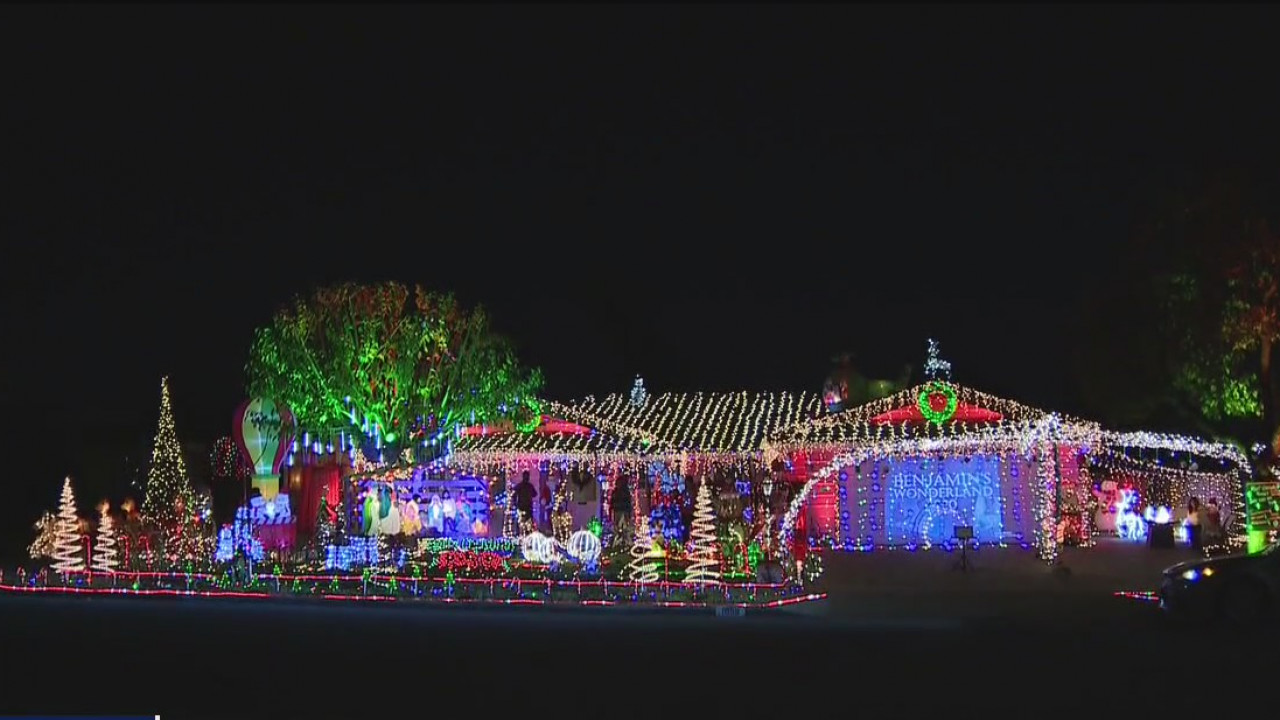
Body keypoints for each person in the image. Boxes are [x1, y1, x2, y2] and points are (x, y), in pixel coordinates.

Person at [611, 475, 633, 546]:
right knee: (618, 526)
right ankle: (618, 541)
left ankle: (625, 541)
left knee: (624, 526)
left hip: (623, 511)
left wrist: (629, 512)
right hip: (618, 511)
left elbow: (628, 502)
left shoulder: (625, 492)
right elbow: (612, 502)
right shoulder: (616, 492)